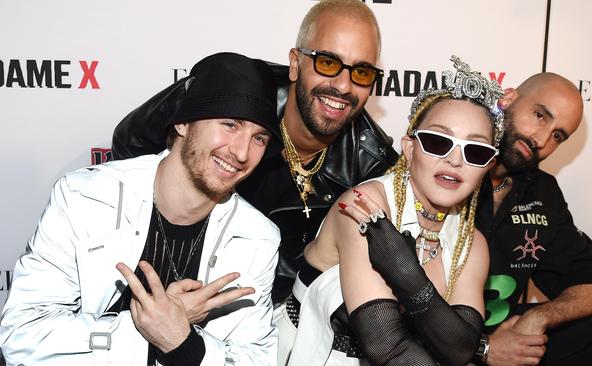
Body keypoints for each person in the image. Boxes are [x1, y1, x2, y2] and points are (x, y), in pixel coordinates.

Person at [0, 52, 281, 366]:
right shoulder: (86, 197)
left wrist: (183, 343)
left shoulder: (257, 238)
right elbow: (21, 334)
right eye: (230, 124)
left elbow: (257, 359)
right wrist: (148, 327)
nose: (242, 152)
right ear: (183, 123)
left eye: (259, 138)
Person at [110, 0, 398, 305]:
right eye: (328, 63)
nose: (343, 86)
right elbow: (132, 141)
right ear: (296, 63)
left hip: (291, 313)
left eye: (362, 72)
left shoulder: (374, 163)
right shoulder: (238, 91)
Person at [278, 56, 504, 366]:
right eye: (439, 142)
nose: (455, 160)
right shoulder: (363, 205)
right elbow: (387, 347)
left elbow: (461, 349)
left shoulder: (472, 242)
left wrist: (404, 271)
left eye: (475, 151)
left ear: (487, 168)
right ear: (410, 149)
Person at [475, 73, 592, 365]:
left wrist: (540, 316)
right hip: (428, 342)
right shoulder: (448, 167)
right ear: (509, 98)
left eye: (557, 136)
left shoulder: (542, 190)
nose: (540, 140)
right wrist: (484, 349)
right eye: (540, 115)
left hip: (500, 334)